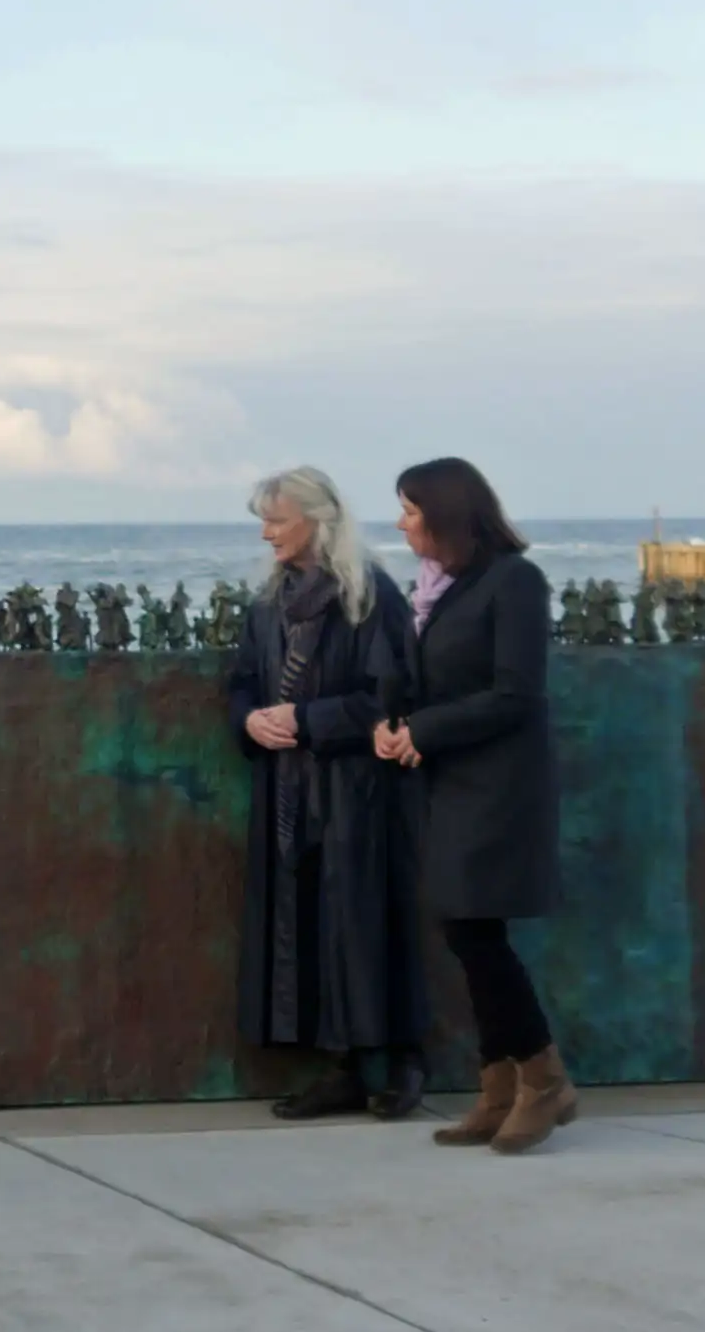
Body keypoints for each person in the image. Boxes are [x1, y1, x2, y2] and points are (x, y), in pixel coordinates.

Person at [380, 455, 574, 1155]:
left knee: (474, 933)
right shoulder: (442, 588)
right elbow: (434, 680)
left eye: (410, 510)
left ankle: (544, 1079)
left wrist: (425, 731)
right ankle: (498, 1088)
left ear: (445, 512)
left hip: (496, 788)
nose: (401, 523)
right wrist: (394, 726)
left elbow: (516, 693)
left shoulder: (514, 581)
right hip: (448, 782)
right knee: (466, 930)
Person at [224, 467, 429, 1121]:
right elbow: (242, 681)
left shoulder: (369, 596)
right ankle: (341, 1071)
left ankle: (403, 1064)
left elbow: (392, 697)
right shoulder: (269, 602)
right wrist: (250, 721)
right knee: (309, 926)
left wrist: (308, 719)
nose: (267, 534)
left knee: (369, 926)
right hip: (288, 788)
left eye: (277, 520)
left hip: (358, 792)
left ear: (318, 521)